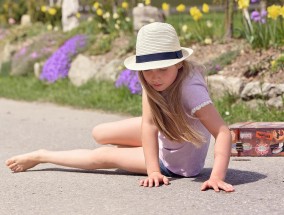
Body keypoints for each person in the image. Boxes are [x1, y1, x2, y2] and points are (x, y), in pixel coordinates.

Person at [5, 22, 234, 192]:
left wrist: (214, 175)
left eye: (162, 68)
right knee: (99, 133)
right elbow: (148, 124)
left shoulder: (190, 90)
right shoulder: (154, 80)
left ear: (179, 64)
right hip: (168, 132)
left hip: (176, 162)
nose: (155, 77)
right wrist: (150, 165)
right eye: (148, 69)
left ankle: (42, 155)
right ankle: (134, 152)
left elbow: (223, 132)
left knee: (103, 155)